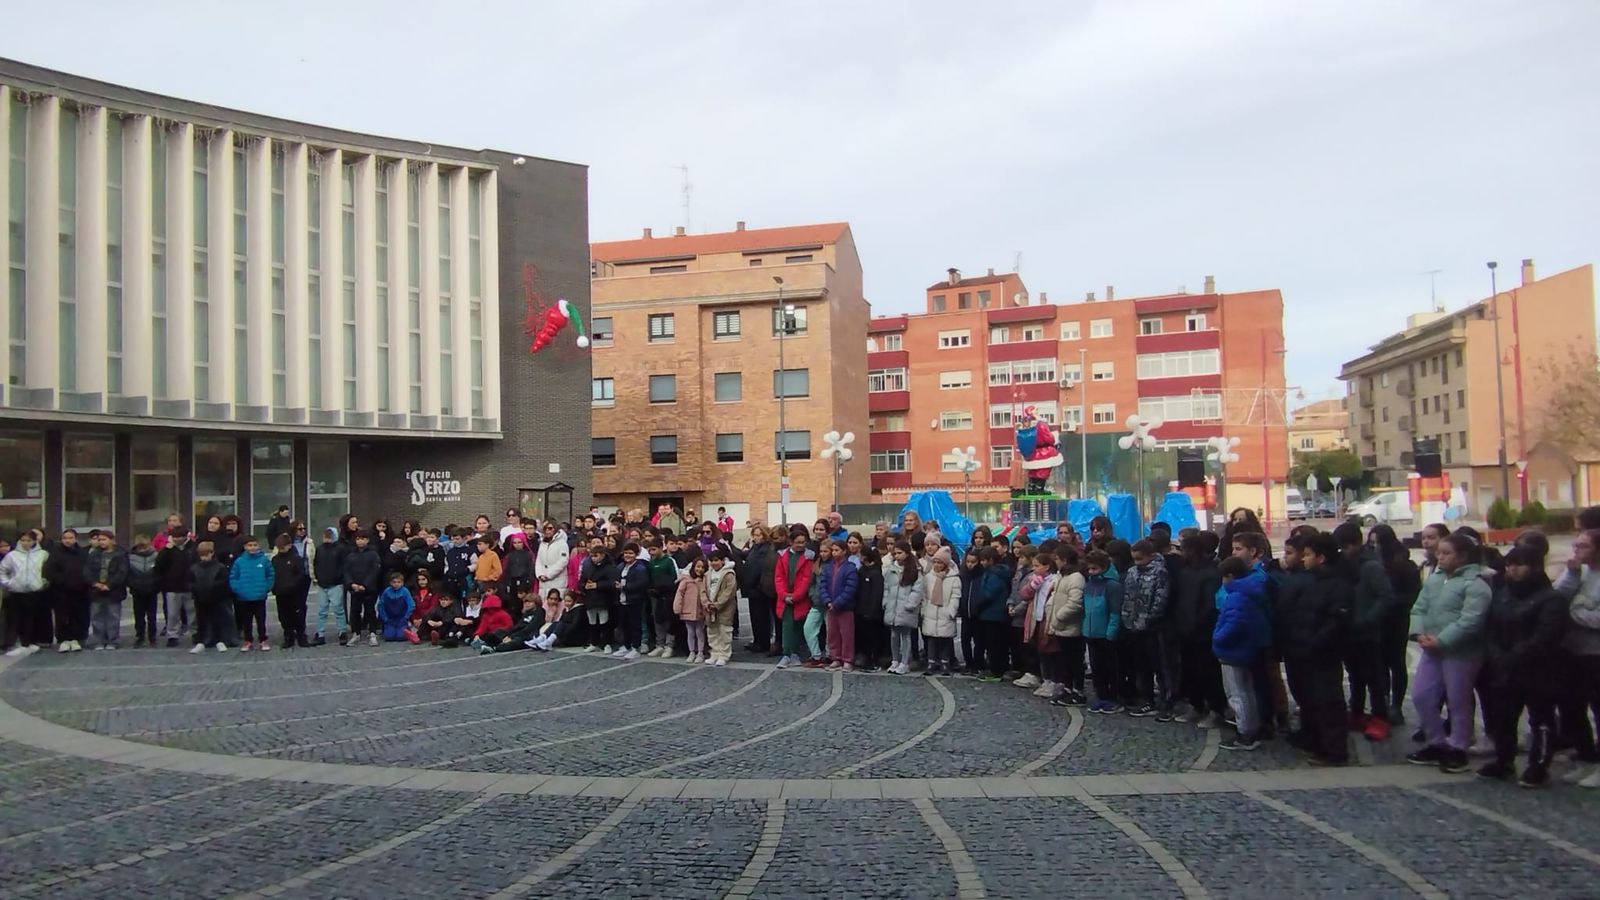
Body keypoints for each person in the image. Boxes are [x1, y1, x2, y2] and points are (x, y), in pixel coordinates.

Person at [1478, 544, 1567, 787]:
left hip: (1538, 668)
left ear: (1535, 567)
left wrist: (1515, 655)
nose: (1512, 571)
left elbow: (1545, 636)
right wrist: (1496, 655)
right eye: (1509, 565)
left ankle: (1539, 766)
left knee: (1541, 719)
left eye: (1518, 565)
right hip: (1505, 668)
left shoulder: (1550, 598)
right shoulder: (1504, 594)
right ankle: (1504, 760)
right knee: (1503, 717)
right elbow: (1491, 627)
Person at [1407, 532, 1491, 774]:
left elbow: (1471, 620)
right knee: (1422, 695)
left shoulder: (1476, 584)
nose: (1440, 557)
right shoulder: (1435, 579)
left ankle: (1458, 746)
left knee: (1458, 700)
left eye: (1446, 553)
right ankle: (1436, 741)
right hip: (1431, 649)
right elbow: (1419, 608)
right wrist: (1418, 633)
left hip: (1461, 652)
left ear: (1463, 556)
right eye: (1439, 553)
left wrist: (1443, 640)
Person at [1278, 533, 1353, 766]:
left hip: (1323, 651)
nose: (1304, 559)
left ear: (1321, 557)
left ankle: (1334, 750)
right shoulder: (1313, 580)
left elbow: (1335, 620)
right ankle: (1317, 740)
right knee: (1312, 699)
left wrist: (1316, 641)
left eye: (1308, 555)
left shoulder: (1337, 584)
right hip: (1304, 647)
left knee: (1328, 701)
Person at [1333, 522, 1397, 740]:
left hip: (1368, 632)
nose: (1344, 551)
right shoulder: (1345, 564)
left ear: (1356, 544)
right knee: (1355, 676)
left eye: (1346, 547)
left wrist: (1368, 620)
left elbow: (1385, 596)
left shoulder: (1370, 566)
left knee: (1375, 678)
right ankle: (1357, 712)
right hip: (1349, 630)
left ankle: (1380, 716)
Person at [1553, 529, 1600, 787]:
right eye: (1575, 545)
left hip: (1596, 653)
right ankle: (1586, 758)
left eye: (1583, 546)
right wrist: (1570, 573)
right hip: (1572, 650)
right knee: (1572, 708)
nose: (1576, 551)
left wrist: (1574, 611)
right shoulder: (1578, 572)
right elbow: (1557, 599)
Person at [1215, 556, 1273, 751]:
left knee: (1237, 693)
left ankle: (1245, 732)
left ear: (1229, 576)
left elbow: (1234, 622)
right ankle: (1251, 727)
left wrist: (1218, 638)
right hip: (1245, 648)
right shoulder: (1250, 592)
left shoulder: (1237, 596)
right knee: (1246, 691)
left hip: (1233, 650)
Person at [1172, 533, 1225, 725]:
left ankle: (1216, 709)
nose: (1181, 553)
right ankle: (1196, 705)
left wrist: (1196, 624)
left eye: (1183, 549)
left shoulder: (1211, 573)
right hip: (1185, 631)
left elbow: (1209, 605)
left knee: (1209, 672)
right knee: (1190, 671)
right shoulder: (1185, 572)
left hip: (1204, 632)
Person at [1120, 540, 1172, 716]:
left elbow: (1161, 598)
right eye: (1134, 559)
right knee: (1142, 666)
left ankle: (1166, 700)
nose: (1137, 563)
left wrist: (1150, 618)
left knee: (1159, 664)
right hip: (1133, 625)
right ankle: (1147, 699)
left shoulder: (1160, 572)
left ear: (1150, 556)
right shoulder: (1132, 572)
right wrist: (1127, 618)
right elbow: (1127, 596)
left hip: (1152, 626)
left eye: (1140, 559)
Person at [1082, 549, 1123, 713]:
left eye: (1095, 569)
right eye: (1090, 569)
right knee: (1096, 668)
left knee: (1110, 668)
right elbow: (1085, 609)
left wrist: (1110, 633)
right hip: (1091, 633)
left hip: (1105, 634)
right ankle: (1101, 696)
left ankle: (1113, 698)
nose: (1091, 572)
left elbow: (1115, 611)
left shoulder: (1112, 586)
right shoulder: (1089, 585)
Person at [773, 526, 816, 670]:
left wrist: (796, 596)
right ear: (791, 542)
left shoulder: (808, 557)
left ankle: (795, 653)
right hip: (785, 598)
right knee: (787, 626)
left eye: (803, 542)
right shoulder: (783, 556)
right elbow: (778, 577)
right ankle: (786, 654)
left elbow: (806, 579)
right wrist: (783, 595)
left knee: (798, 626)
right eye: (798, 542)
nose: (801, 545)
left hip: (799, 599)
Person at [0, 531, 48, 657]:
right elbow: (2, 570)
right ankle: (20, 644)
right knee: (16, 618)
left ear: (34, 541)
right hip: (17, 591)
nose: (26, 543)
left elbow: (48, 570)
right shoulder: (12, 555)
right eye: (23, 540)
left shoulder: (42, 554)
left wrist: (43, 582)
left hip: (35, 591)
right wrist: (9, 583)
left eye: (29, 540)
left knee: (32, 618)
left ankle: (31, 642)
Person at [82, 530, 129, 651]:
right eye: (99, 540)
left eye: (104, 539)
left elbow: (122, 572)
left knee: (113, 616)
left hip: (114, 590)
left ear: (112, 540)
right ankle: (99, 640)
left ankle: (113, 640)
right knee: (97, 616)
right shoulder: (93, 554)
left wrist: (110, 584)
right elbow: (87, 571)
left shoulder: (120, 554)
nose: (101, 542)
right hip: (96, 590)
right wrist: (95, 583)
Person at [44, 529, 89, 652]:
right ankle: (63, 639)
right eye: (65, 538)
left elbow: (87, 569)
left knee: (77, 615)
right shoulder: (55, 553)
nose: (68, 541)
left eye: (70, 538)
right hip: (60, 591)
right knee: (61, 616)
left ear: (75, 539)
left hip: (79, 590)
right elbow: (48, 571)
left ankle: (75, 639)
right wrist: (62, 581)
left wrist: (82, 582)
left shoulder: (82, 553)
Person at [818, 541, 858, 673]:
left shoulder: (850, 567)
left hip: (845, 607)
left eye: (837, 550)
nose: (834, 553)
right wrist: (828, 601)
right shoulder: (827, 567)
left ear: (844, 551)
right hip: (831, 607)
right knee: (833, 634)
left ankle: (847, 659)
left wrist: (838, 603)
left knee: (846, 634)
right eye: (833, 550)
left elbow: (850, 588)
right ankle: (836, 657)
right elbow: (822, 585)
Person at [884, 543, 923, 675]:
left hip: (906, 608)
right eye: (895, 553)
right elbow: (887, 587)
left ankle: (904, 662)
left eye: (900, 553)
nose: (897, 556)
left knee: (905, 635)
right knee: (894, 635)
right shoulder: (891, 569)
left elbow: (917, 590)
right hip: (893, 607)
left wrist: (910, 604)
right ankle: (895, 660)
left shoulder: (915, 570)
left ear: (907, 553)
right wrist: (886, 602)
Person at [228, 535, 273, 651]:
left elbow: (270, 575)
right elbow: (233, 577)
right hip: (244, 597)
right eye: (250, 545)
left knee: (261, 620)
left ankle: (263, 639)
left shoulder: (264, 560)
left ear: (258, 546)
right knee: (246, 621)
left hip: (259, 596)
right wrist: (238, 589)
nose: (252, 548)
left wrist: (266, 587)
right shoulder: (239, 561)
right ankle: (248, 640)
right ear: (245, 547)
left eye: (254, 545)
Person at [154, 528, 196, 648]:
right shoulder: (167, 550)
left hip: (189, 586)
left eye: (180, 537)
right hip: (172, 586)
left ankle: (195, 632)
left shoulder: (192, 548)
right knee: (172, 613)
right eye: (175, 537)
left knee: (192, 612)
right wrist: (167, 549)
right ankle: (172, 635)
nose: (177, 540)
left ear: (185, 537)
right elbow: (159, 565)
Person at [921, 547, 960, 676]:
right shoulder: (928, 577)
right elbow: (925, 595)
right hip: (931, 612)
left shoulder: (953, 578)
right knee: (931, 639)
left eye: (940, 563)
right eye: (935, 562)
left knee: (945, 640)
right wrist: (924, 610)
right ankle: (931, 662)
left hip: (945, 613)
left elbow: (955, 596)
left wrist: (951, 611)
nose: (937, 565)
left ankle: (945, 662)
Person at [270, 533, 312, 649]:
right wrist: (274, 587)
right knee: (283, 616)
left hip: (295, 593)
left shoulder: (296, 559)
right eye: (280, 547)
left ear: (289, 545)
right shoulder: (275, 560)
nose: (282, 550)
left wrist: (293, 584)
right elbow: (273, 575)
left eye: (283, 547)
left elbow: (301, 574)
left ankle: (301, 636)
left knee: (298, 615)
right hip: (280, 592)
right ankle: (288, 636)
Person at [189, 541, 233, 652]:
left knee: (219, 620)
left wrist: (212, 587)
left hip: (217, 598)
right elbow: (189, 582)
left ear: (212, 553)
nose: (204, 558)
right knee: (202, 620)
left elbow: (224, 582)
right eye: (202, 555)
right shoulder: (194, 568)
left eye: (206, 554)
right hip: (200, 598)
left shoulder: (220, 567)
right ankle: (202, 641)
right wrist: (197, 588)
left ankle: (221, 641)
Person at [343, 531, 384, 647]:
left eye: (362, 539)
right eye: (358, 539)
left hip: (369, 589)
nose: (360, 541)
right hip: (354, 588)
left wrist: (365, 585)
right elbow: (346, 571)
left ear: (367, 540)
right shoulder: (351, 555)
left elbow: (375, 571)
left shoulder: (373, 554)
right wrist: (351, 584)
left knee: (370, 611)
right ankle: (356, 633)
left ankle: (372, 633)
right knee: (355, 611)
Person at [311, 527, 350, 646]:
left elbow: (344, 566)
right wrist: (318, 577)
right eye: (325, 536)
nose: (327, 539)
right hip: (323, 584)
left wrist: (340, 578)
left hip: (336, 584)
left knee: (338, 609)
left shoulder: (340, 549)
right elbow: (316, 564)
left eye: (329, 536)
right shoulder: (320, 549)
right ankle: (320, 633)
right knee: (322, 610)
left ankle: (342, 631)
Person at [579, 544, 618, 654]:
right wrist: (584, 586)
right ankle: (594, 643)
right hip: (590, 599)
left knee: (604, 622)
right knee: (592, 622)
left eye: (595, 556)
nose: (593, 558)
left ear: (602, 555)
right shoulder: (588, 567)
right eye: (592, 556)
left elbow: (612, 583)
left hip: (603, 599)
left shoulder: (609, 567)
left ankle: (606, 643)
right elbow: (581, 581)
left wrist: (597, 585)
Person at [613, 544, 649, 660]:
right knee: (624, 624)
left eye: (631, 553)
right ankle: (626, 645)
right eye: (626, 553)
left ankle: (636, 647)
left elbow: (641, 584)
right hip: (622, 600)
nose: (628, 556)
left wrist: (625, 587)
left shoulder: (640, 568)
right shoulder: (620, 567)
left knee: (635, 625)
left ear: (636, 554)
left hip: (635, 600)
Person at [854, 547, 885, 671]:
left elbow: (876, 595)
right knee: (863, 638)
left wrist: (871, 611)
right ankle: (864, 658)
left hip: (872, 614)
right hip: (861, 611)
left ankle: (874, 660)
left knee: (873, 638)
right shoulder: (862, 571)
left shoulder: (875, 573)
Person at [673, 557, 709, 663]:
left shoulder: (705, 580)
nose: (700, 569)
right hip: (687, 610)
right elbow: (679, 594)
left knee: (700, 632)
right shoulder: (686, 580)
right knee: (690, 632)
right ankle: (692, 651)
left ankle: (700, 652)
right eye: (698, 566)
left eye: (702, 567)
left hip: (700, 610)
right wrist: (677, 607)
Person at [126, 534, 159, 649]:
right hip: (137, 590)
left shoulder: (155, 556)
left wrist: (155, 585)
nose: (142, 549)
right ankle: (140, 636)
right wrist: (132, 584)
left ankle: (152, 637)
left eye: (144, 547)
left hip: (152, 589)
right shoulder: (130, 557)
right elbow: (128, 574)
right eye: (140, 547)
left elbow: (159, 572)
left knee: (152, 615)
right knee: (139, 615)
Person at [374, 570, 415, 643]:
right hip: (390, 619)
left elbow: (411, 605)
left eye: (399, 582)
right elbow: (380, 605)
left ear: (402, 583)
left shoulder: (405, 591)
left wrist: (406, 617)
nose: (396, 584)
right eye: (394, 582)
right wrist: (385, 618)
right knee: (389, 637)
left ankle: (407, 628)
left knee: (401, 637)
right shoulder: (386, 591)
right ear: (390, 583)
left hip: (401, 619)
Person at [535, 521, 570, 601]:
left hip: (557, 581)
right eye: (545, 529)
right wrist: (540, 574)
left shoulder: (562, 543)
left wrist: (548, 575)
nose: (547, 531)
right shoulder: (542, 544)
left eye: (550, 528)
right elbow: (539, 561)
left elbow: (562, 561)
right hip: (543, 583)